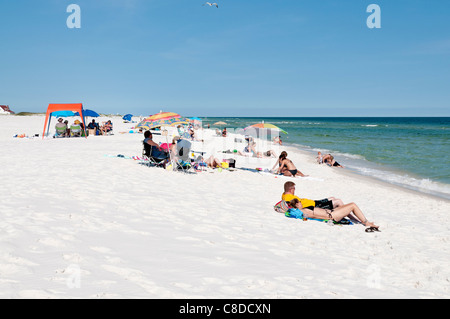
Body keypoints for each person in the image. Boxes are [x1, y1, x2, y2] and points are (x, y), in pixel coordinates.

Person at [288, 198, 379, 230]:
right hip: (332, 215)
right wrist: (328, 218)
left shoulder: (303, 210)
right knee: (353, 205)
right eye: (299, 202)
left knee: (345, 205)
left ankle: (359, 220)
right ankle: (366, 222)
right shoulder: (304, 211)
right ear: (297, 204)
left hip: (332, 213)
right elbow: (313, 216)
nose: (301, 203)